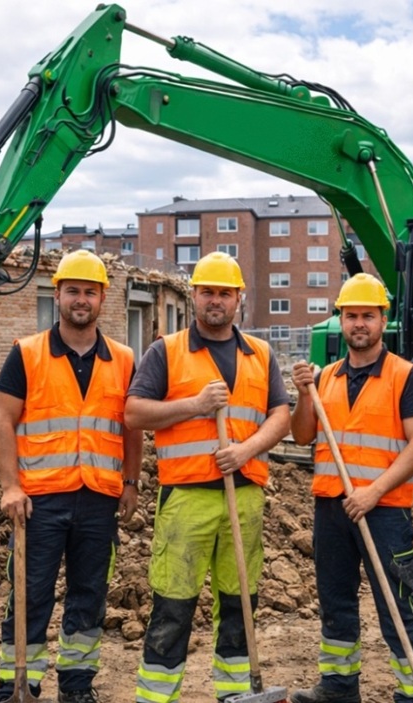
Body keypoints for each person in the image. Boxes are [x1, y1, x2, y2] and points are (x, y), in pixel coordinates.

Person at [127, 251, 291, 703]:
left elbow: (281, 415)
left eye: (224, 292)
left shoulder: (260, 354)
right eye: (207, 292)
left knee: (240, 604)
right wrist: (194, 406)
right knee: (174, 605)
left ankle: (236, 692)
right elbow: (134, 412)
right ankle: (157, 696)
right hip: (187, 498)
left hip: (245, 495)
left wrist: (247, 450)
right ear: (193, 295)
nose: (215, 300)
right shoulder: (167, 350)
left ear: (239, 297)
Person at [0, 249, 143, 703]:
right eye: (73, 290)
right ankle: (17, 684)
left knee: (89, 595)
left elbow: (130, 425)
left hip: (98, 498)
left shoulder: (123, 358)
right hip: (39, 501)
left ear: (102, 299)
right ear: (56, 294)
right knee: (30, 594)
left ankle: (76, 686)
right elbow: (3, 421)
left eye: (90, 292)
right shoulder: (27, 353)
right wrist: (10, 486)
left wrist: (131, 482)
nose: (81, 299)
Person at [289, 273, 413, 703]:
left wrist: (373, 492)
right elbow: (302, 436)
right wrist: (303, 394)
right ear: (340, 319)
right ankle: (338, 687)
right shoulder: (327, 378)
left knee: (398, 603)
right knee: (336, 603)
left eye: (367, 316)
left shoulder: (405, 376)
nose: (359, 324)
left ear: (382, 320)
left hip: (385, 510)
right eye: (351, 315)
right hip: (332, 509)